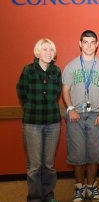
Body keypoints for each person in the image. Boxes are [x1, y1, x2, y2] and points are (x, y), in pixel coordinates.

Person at [62, 30, 99, 202]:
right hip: (75, 114)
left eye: (92, 42)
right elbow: (65, 89)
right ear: (80, 43)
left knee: (94, 154)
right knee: (77, 154)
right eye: (86, 42)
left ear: (97, 45)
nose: (89, 45)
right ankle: (79, 188)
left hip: (96, 115)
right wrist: (70, 109)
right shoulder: (71, 66)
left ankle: (91, 187)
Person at [17, 39, 61, 202]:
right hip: (32, 123)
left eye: (51, 50)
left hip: (53, 122)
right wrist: (30, 106)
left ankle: (48, 195)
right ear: (37, 52)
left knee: (48, 164)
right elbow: (21, 91)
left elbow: (56, 93)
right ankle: (35, 198)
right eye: (44, 49)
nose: (48, 53)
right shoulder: (28, 70)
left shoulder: (56, 71)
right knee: (34, 166)